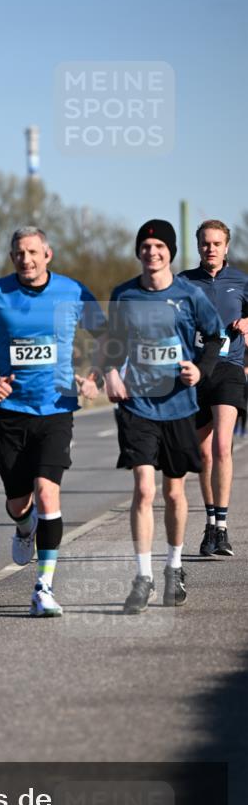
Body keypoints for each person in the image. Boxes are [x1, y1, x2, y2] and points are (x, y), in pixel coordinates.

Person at [0, 225, 106, 618]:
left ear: (47, 254)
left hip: (57, 409)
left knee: (47, 492)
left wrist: (94, 378)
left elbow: (106, 334)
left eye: (32, 252)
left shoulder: (72, 291)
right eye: (19, 254)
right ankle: (24, 526)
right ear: (12, 258)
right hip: (11, 412)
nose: (25, 259)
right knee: (18, 501)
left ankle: (43, 588)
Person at [101, 219, 224, 614]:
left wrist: (200, 370)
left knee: (173, 493)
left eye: (159, 247)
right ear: (138, 251)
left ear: (170, 252)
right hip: (137, 405)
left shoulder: (189, 295)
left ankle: (173, 567)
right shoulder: (124, 295)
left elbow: (215, 336)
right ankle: (143, 577)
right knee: (143, 489)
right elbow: (110, 343)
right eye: (146, 246)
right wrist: (110, 372)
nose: (152, 252)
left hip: (179, 406)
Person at [178, 220, 248, 557]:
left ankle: (222, 528)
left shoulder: (241, 281)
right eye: (206, 243)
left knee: (222, 446)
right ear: (198, 246)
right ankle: (210, 525)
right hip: (195, 374)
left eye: (217, 243)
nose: (211, 249)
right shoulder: (183, 282)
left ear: (226, 247)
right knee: (203, 453)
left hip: (229, 369)